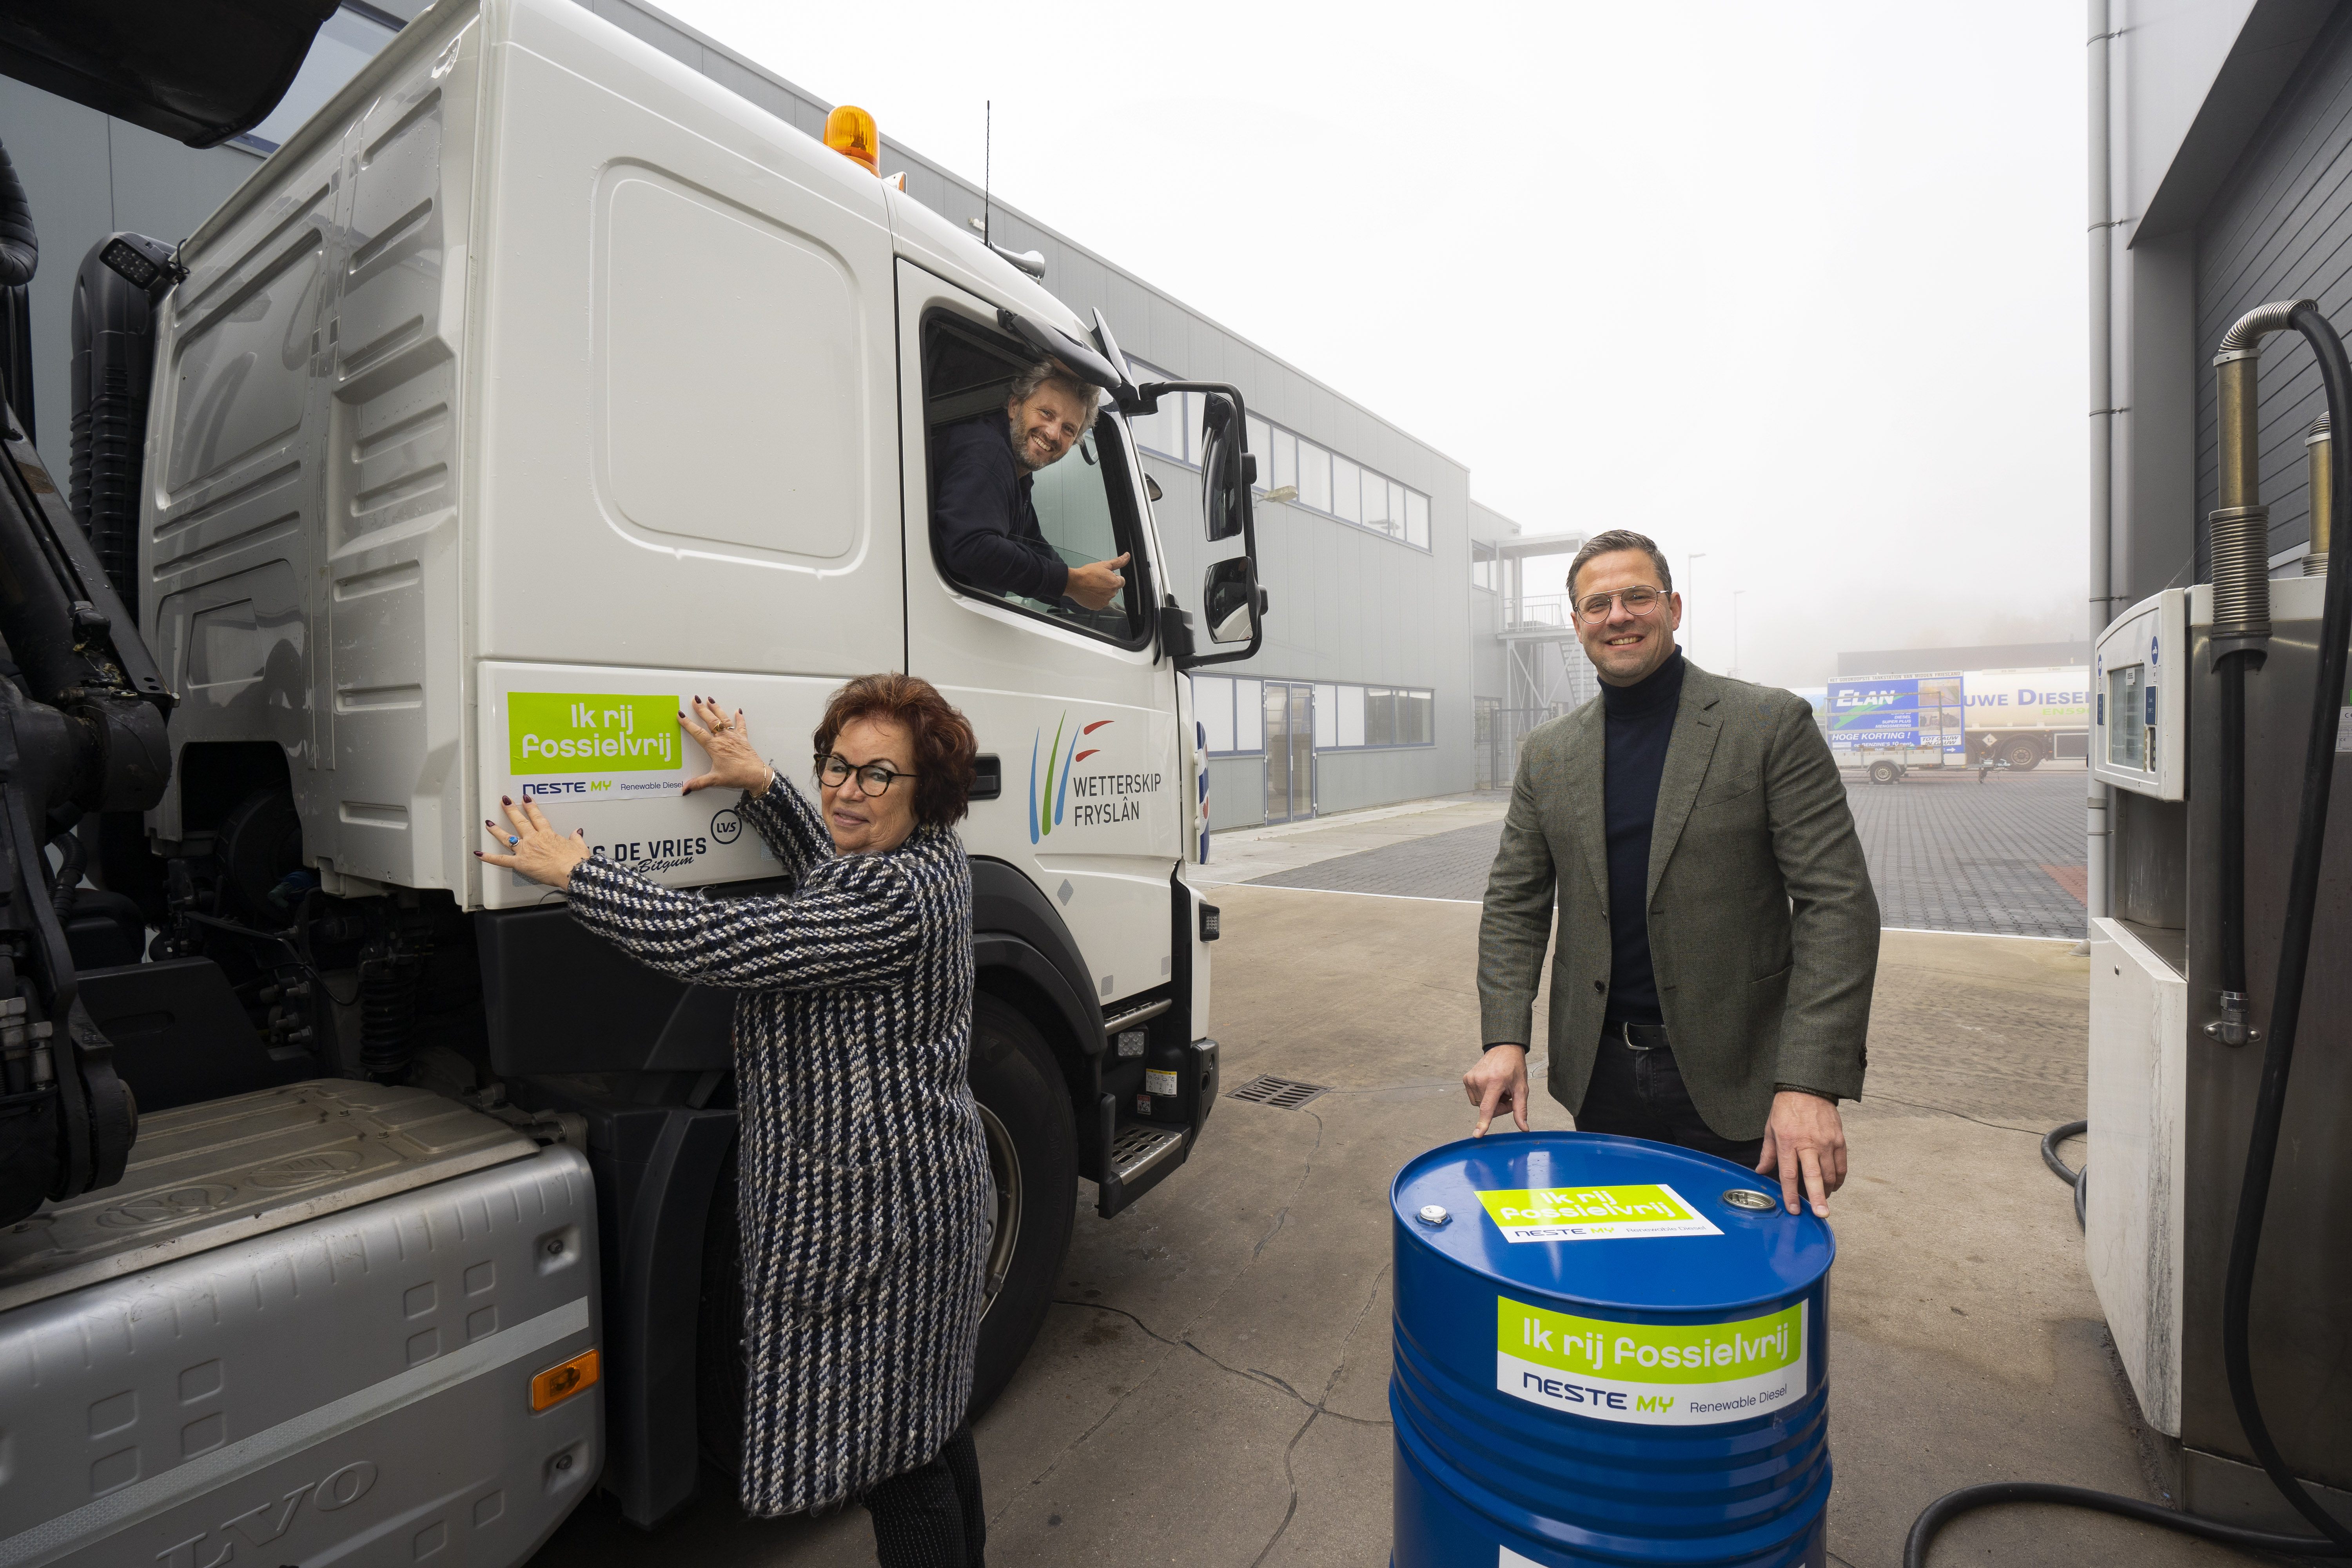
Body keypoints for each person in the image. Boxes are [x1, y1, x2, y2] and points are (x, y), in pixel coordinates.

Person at [480, 677, 992, 1566]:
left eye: (878, 775)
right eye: (836, 765)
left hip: (894, 1227)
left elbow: (726, 944)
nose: (846, 789)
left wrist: (580, 874)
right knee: (928, 1422)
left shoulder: (894, 898)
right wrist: (763, 784)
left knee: (896, 1461)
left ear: (928, 792)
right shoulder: (917, 861)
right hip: (922, 1196)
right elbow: (830, 878)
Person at [1462, 529, 1880, 1218]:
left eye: (1636, 597)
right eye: (1597, 605)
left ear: (1674, 608)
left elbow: (1839, 905)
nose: (1617, 616)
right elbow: (1515, 903)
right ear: (1576, 624)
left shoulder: (1769, 725)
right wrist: (1506, 1037)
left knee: (1737, 1287)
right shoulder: (1548, 753)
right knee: (1613, 1285)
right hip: (1599, 1080)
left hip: (1741, 1078)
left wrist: (1810, 1081)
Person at [934, 359, 1131, 611]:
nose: (1053, 434)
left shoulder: (1017, 477)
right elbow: (971, 547)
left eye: (1069, 429)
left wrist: (1086, 598)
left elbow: (1032, 546)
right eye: (1047, 413)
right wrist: (1072, 583)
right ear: (1015, 406)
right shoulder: (987, 453)